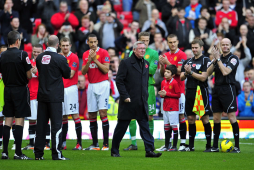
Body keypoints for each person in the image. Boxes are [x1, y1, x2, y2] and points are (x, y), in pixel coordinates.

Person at [111, 41, 162, 158]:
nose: (143, 51)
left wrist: (145, 96)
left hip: (141, 101)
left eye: (144, 49)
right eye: (140, 49)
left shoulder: (146, 63)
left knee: (145, 127)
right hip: (128, 101)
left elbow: (144, 82)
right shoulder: (125, 63)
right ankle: (114, 150)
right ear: (134, 50)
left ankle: (149, 150)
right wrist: (124, 96)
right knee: (121, 128)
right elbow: (119, 81)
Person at [34, 35, 71, 160]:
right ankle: (56, 154)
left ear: (46, 43)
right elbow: (67, 74)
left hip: (42, 95)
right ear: (58, 45)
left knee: (41, 126)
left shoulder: (39, 57)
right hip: (55, 96)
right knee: (56, 126)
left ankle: (38, 154)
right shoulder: (60, 58)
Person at [0, 31, 35, 160]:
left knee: (7, 120)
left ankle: (4, 152)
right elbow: (29, 75)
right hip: (20, 90)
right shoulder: (22, 54)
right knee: (19, 120)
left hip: (7, 89)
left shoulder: (2, 55)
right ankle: (18, 153)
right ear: (17, 41)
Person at [124, 32, 159, 151]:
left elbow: (152, 70)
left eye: (147, 40)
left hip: (147, 87)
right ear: (138, 41)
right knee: (131, 115)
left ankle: (150, 142)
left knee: (149, 116)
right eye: (142, 40)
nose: (145, 43)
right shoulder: (131, 52)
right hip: (134, 88)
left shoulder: (154, 53)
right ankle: (133, 143)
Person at [207, 38, 240, 153]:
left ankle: (237, 147)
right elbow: (209, 73)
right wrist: (215, 59)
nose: (225, 46)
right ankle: (215, 146)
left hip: (228, 89)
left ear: (230, 45)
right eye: (223, 44)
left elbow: (226, 72)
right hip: (217, 89)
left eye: (227, 44)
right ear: (220, 46)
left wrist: (219, 59)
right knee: (216, 118)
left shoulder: (234, 58)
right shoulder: (218, 58)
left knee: (231, 117)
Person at [180, 39, 212, 152]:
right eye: (193, 47)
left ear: (201, 48)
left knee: (204, 118)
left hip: (201, 91)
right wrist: (186, 73)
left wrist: (191, 72)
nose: (194, 49)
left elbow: (204, 77)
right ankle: (191, 146)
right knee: (190, 118)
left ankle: (209, 146)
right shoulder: (187, 61)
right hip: (190, 91)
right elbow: (181, 77)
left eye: (196, 47)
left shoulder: (206, 60)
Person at [158, 34, 187, 151]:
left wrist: (168, 63)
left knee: (180, 116)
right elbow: (162, 74)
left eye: (174, 42)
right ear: (167, 43)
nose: (172, 44)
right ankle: (168, 144)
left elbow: (180, 71)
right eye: (170, 42)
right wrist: (161, 65)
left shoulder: (182, 55)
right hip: (166, 92)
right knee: (167, 119)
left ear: (178, 41)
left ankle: (183, 144)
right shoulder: (165, 55)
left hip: (178, 91)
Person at [81, 34, 110, 151]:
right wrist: (88, 61)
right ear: (87, 42)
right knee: (92, 114)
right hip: (92, 85)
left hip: (103, 84)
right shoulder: (84, 54)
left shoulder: (104, 53)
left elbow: (106, 70)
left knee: (103, 112)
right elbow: (83, 72)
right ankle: (95, 144)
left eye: (94, 42)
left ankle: (106, 144)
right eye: (90, 42)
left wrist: (95, 60)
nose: (93, 44)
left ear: (97, 42)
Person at [22, 44, 51, 151]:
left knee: (44, 119)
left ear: (42, 52)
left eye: (38, 52)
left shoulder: (46, 63)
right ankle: (31, 143)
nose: (36, 54)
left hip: (43, 95)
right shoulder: (28, 62)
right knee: (32, 120)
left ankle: (47, 143)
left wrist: (37, 72)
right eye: (34, 52)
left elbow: (49, 77)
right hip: (31, 95)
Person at [59, 37, 82, 150]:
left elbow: (71, 74)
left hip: (71, 89)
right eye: (63, 45)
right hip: (61, 89)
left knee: (75, 115)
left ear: (70, 46)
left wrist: (59, 72)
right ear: (60, 46)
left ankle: (79, 143)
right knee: (63, 116)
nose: (65, 47)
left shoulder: (74, 57)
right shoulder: (58, 56)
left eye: (67, 45)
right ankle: (63, 142)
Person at [158, 65, 180, 151]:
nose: (166, 73)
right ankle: (167, 146)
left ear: (173, 75)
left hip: (173, 107)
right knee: (166, 126)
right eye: (165, 71)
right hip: (165, 107)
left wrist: (166, 94)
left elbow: (178, 95)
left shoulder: (175, 83)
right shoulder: (163, 82)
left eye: (168, 72)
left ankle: (174, 146)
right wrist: (162, 94)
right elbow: (163, 94)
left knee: (174, 126)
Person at [0, 45, 7, 150]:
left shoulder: (11, 64)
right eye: (2, 52)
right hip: (1, 96)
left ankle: (15, 141)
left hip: (10, 94)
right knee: (1, 119)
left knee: (13, 118)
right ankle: (1, 141)